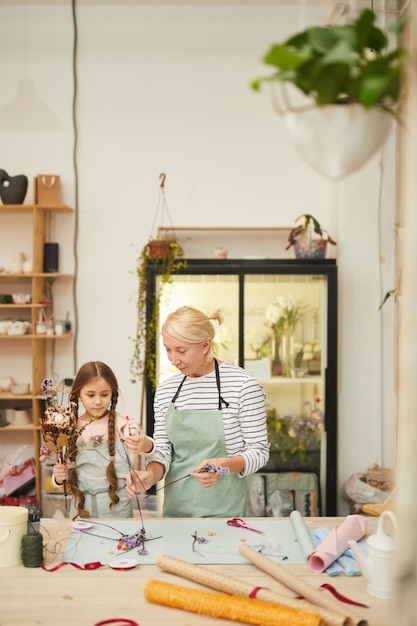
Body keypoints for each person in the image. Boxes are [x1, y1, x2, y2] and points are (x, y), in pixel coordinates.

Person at [126, 306, 270, 517]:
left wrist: (223, 466)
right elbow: (164, 451)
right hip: (176, 513)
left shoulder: (243, 386)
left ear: (205, 345)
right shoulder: (167, 390)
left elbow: (259, 452)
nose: (173, 359)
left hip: (226, 514)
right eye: (168, 349)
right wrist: (149, 476)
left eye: (181, 350)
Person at [52, 360, 154, 519]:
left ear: (112, 393)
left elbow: (147, 449)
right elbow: (63, 470)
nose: (98, 401)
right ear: (78, 394)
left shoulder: (122, 423)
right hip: (81, 513)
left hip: (118, 512)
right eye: (91, 395)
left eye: (104, 394)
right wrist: (57, 478)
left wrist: (144, 442)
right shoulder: (69, 427)